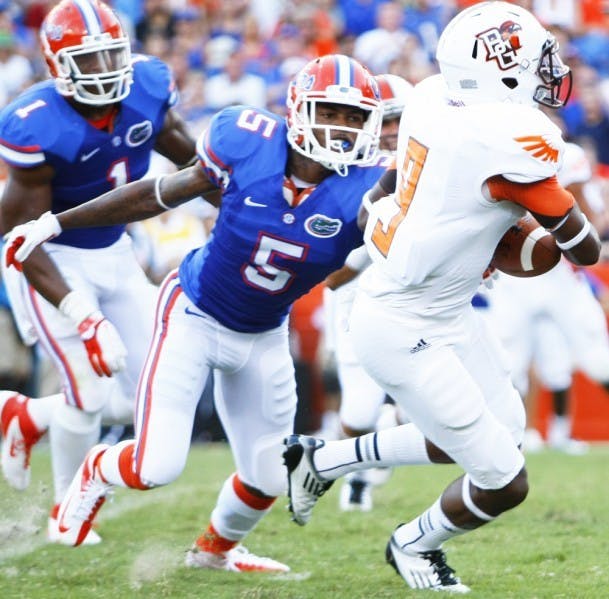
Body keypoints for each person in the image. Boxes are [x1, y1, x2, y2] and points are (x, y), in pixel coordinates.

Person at [4, 53, 386, 571]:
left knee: (270, 475)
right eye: (331, 111)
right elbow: (158, 194)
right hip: (194, 313)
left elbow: (407, 246)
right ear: (298, 109)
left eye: (355, 117)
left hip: (264, 332)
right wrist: (55, 224)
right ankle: (95, 468)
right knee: (156, 465)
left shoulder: (370, 188)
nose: (342, 128)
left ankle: (214, 552)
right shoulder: (247, 139)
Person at [282, 2, 600, 593]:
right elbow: (583, 251)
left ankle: (321, 461)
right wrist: (526, 230)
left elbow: (383, 186)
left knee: (494, 431)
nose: (546, 71)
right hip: (403, 325)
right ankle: (414, 544)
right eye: (534, 62)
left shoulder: (432, 95)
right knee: (505, 479)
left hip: (436, 305)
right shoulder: (512, 139)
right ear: (498, 72)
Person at [0, 0, 198, 545]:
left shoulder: (148, 87)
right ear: (56, 66)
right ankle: (67, 510)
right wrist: (83, 316)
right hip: (48, 258)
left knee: (146, 387)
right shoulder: (35, 123)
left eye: (111, 55)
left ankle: (27, 416)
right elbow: (21, 237)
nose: (103, 71)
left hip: (116, 250)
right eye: (87, 61)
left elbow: (194, 160)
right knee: (87, 390)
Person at [323, 73, 412, 512]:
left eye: (401, 120)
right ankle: (356, 470)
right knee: (357, 413)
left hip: (415, 295)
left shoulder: (429, 163)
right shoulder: (343, 169)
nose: (393, 131)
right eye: (386, 120)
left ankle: (388, 427)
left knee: (423, 409)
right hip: (356, 294)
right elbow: (335, 269)